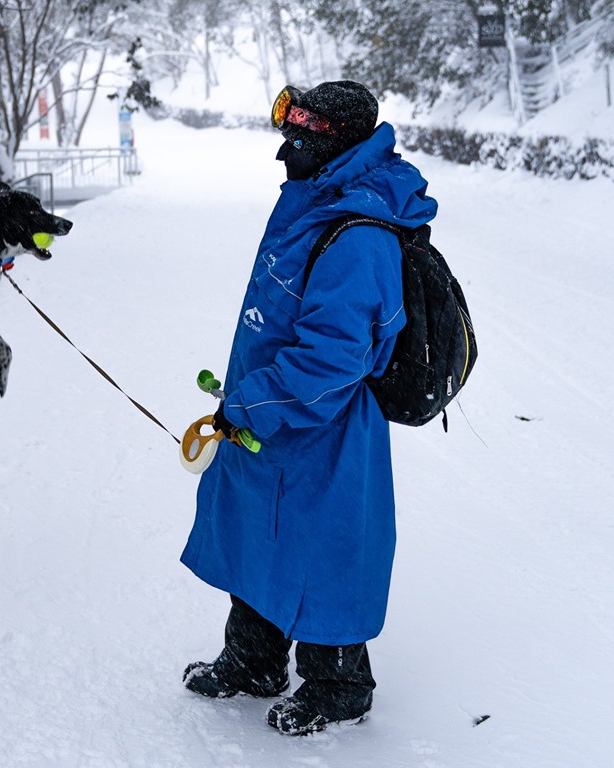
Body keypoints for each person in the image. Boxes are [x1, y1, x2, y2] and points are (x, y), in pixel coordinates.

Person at [180, 81, 438, 736]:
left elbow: (333, 360)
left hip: (322, 429)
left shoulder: (358, 235)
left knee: (323, 547)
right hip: (270, 416)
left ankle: (339, 685)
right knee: (259, 532)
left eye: (298, 139)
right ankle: (255, 658)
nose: (283, 153)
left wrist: (255, 404)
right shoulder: (315, 202)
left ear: (333, 144)